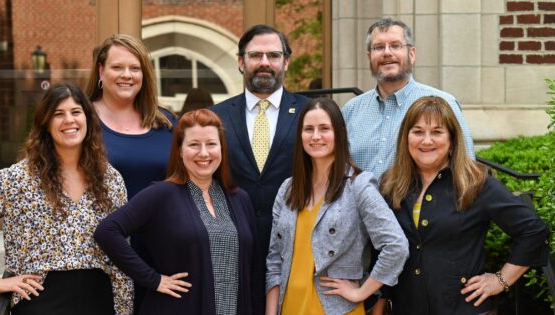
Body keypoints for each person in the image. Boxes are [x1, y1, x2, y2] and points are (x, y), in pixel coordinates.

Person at [0, 82, 133, 315]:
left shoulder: (110, 180)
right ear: (45, 124)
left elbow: (122, 252)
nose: (69, 120)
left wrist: (124, 309)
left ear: (87, 119)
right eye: (58, 114)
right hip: (39, 302)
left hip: (99, 301)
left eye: (76, 112)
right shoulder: (18, 179)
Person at [379, 96, 549, 314]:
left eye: (437, 132)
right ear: (406, 137)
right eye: (418, 131)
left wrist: (501, 280)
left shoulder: (476, 182)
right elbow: (383, 247)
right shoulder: (391, 183)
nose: (426, 140)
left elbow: (533, 230)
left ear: (452, 139)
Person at [94, 109, 264, 315]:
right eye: (194, 145)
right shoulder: (161, 194)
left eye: (211, 144)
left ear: (221, 149)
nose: (204, 153)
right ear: (180, 150)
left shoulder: (239, 199)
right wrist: (152, 279)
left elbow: (254, 270)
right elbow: (107, 231)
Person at [265, 98, 408, 315]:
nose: (315, 136)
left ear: (340, 133)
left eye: (324, 129)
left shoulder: (358, 186)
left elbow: (396, 246)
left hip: (335, 309)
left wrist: (361, 293)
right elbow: (275, 260)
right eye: (308, 129)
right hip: (289, 306)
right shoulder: (288, 189)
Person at [86, 34, 176, 309]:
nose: (127, 75)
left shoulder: (167, 122)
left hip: (159, 254)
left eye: (135, 68)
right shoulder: (80, 121)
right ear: (101, 70)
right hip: (98, 257)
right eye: (117, 67)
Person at [210, 24, 310, 268]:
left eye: (274, 55)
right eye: (255, 55)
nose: (264, 62)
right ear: (241, 62)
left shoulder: (311, 113)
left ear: (286, 62)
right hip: (231, 248)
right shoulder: (215, 117)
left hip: (296, 247)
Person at [341, 17, 475, 180]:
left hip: (419, 205)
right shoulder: (351, 110)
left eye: (395, 45)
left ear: (412, 54)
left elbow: (465, 168)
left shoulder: (443, 104)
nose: (387, 52)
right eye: (378, 47)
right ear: (369, 57)